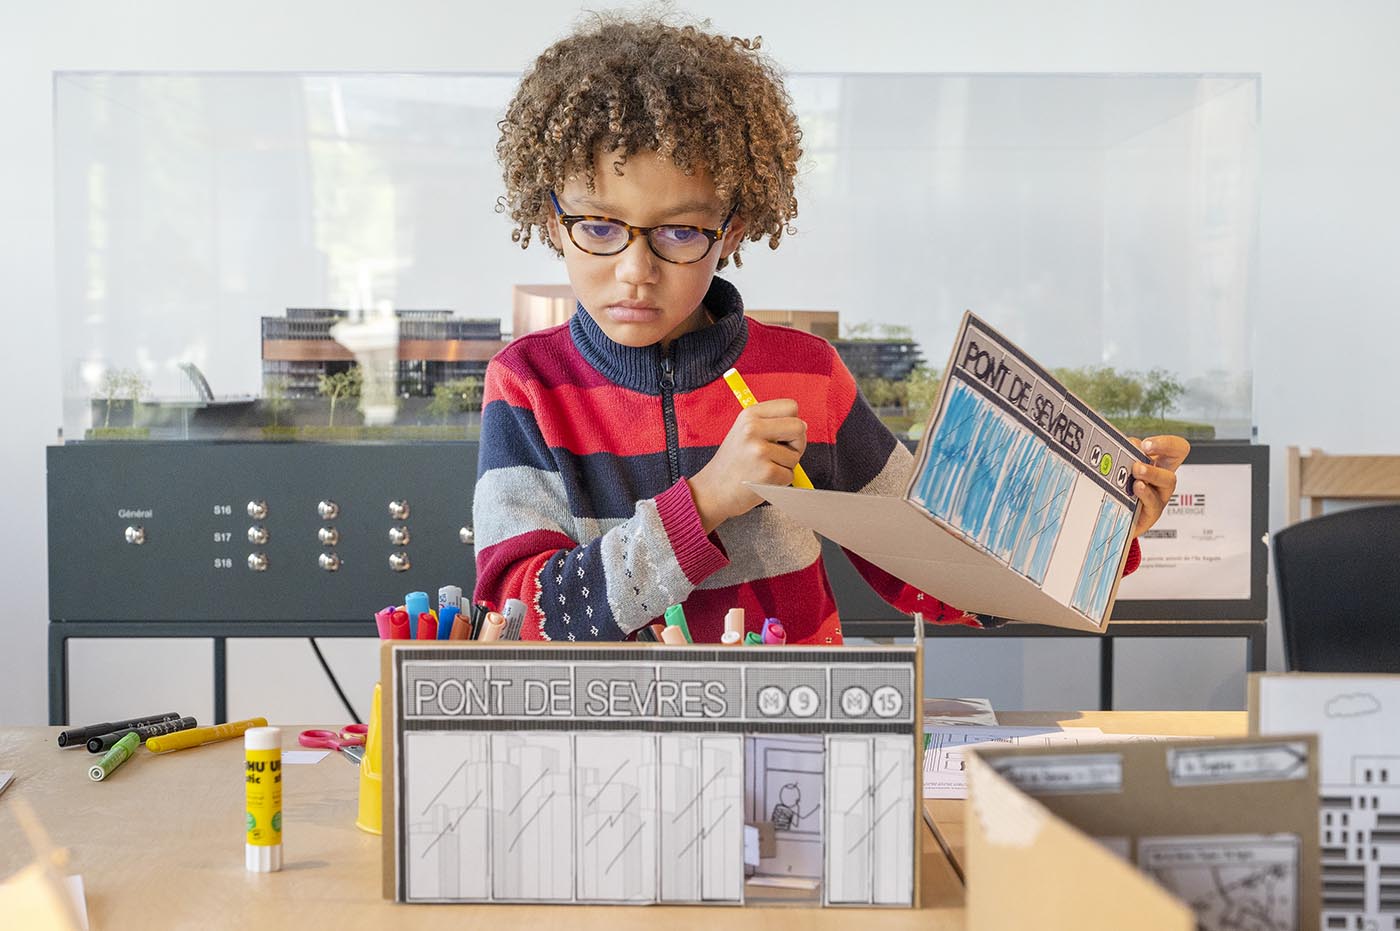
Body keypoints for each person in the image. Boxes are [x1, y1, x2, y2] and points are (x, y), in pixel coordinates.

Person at [473, 13, 1189, 644]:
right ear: (551, 222)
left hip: (793, 747)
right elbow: (522, 611)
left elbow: (940, 569)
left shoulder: (806, 376)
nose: (635, 270)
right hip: (609, 760)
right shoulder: (528, 385)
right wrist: (707, 501)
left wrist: (1098, 529)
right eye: (599, 225)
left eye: (681, 231)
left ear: (731, 231)